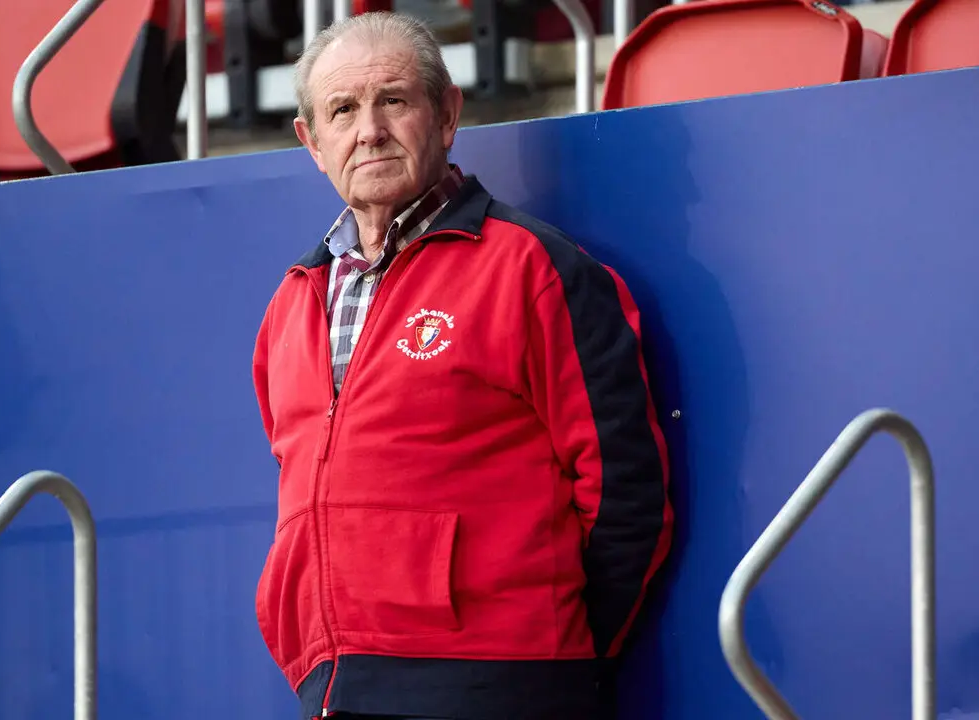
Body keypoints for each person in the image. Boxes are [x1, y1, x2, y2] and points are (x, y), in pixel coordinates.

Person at [252, 11, 673, 720]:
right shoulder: (292, 303)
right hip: (335, 687)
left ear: (447, 114)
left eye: (393, 100)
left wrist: (547, 647)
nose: (369, 130)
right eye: (343, 110)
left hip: (500, 683)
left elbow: (624, 489)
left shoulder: (531, 269)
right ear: (312, 142)